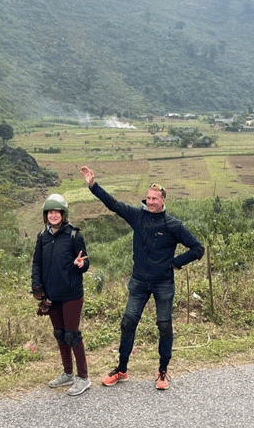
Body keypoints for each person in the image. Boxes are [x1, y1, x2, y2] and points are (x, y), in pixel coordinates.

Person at [80, 166, 204, 390]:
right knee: (127, 323)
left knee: (165, 327)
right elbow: (114, 204)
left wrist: (176, 262)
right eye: (148, 198)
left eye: (155, 198)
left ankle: (163, 371)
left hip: (163, 283)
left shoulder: (173, 225)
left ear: (164, 200)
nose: (150, 202)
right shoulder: (137, 217)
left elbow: (198, 249)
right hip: (139, 281)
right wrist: (93, 186)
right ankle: (122, 369)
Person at [31, 194, 91, 396]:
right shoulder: (42, 237)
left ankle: (84, 377)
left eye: (57, 212)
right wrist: (37, 287)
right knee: (59, 334)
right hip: (51, 294)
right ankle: (68, 373)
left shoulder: (74, 235)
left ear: (64, 214)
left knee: (72, 334)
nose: (53, 215)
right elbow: (37, 263)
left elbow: (85, 261)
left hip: (72, 293)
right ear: (45, 215)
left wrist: (82, 265)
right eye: (50, 212)